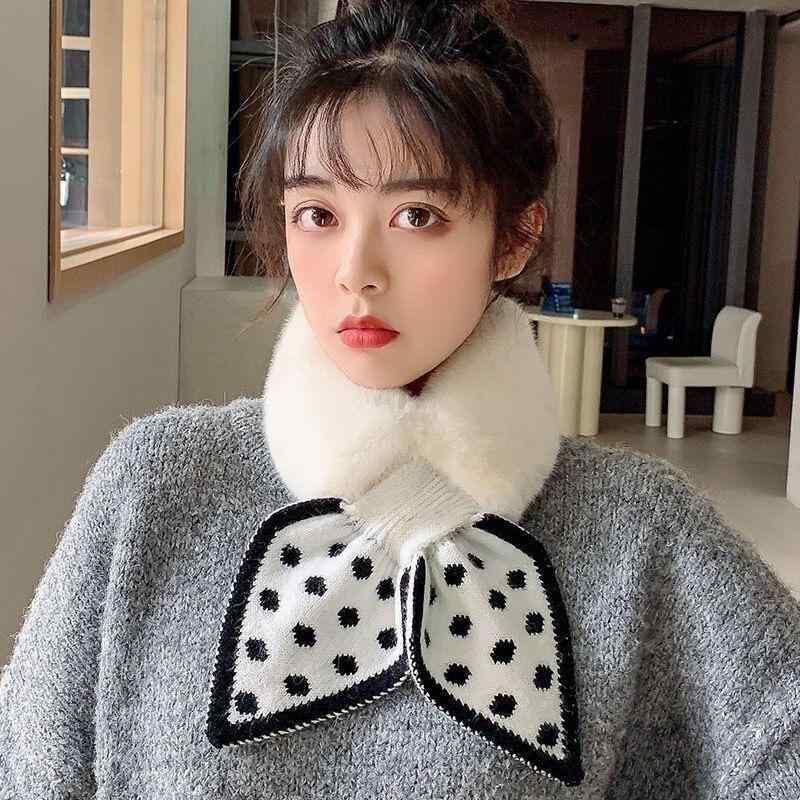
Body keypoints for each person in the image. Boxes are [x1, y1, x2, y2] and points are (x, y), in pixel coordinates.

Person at [1, 1, 798, 797]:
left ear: (515, 237)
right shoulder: (157, 483)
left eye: (417, 215)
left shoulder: (638, 528)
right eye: (317, 214)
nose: (356, 270)